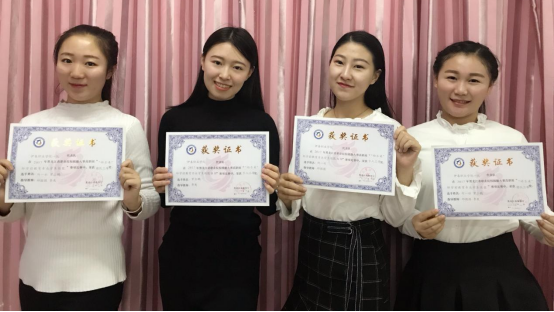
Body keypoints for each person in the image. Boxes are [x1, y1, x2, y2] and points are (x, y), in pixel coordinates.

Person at [0, 24, 160, 311]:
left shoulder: (125, 126)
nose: (76, 72)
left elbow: (149, 203)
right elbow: (16, 213)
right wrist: (3, 194)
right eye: (67, 60)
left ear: (109, 71)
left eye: (90, 63)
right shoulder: (31, 127)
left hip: (99, 276)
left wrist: (133, 196)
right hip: (37, 274)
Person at [395, 41, 554, 311]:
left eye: (474, 80)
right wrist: (412, 225)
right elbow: (396, 210)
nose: (461, 90)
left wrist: (547, 229)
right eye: (451, 77)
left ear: (490, 86)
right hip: (431, 268)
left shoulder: (510, 139)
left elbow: (530, 209)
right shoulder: (412, 140)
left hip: (499, 268)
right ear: (436, 80)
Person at [277, 31, 422, 311]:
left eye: (358, 66)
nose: (345, 74)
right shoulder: (313, 126)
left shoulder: (388, 131)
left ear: (375, 76)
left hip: (359, 247)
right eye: (339, 62)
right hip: (312, 241)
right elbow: (296, 203)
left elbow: (395, 217)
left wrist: (405, 168)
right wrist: (286, 194)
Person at [153, 27, 281, 311]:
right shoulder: (174, 120)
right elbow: (165, 200)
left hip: (237, 258)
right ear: (202, 61)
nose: (224, 75)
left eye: (237, 67)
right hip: (181, 254)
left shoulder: (261, 124)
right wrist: (160, 184)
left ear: (249, 73)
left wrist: (274, 186)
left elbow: (269, 207)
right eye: (217, 62)